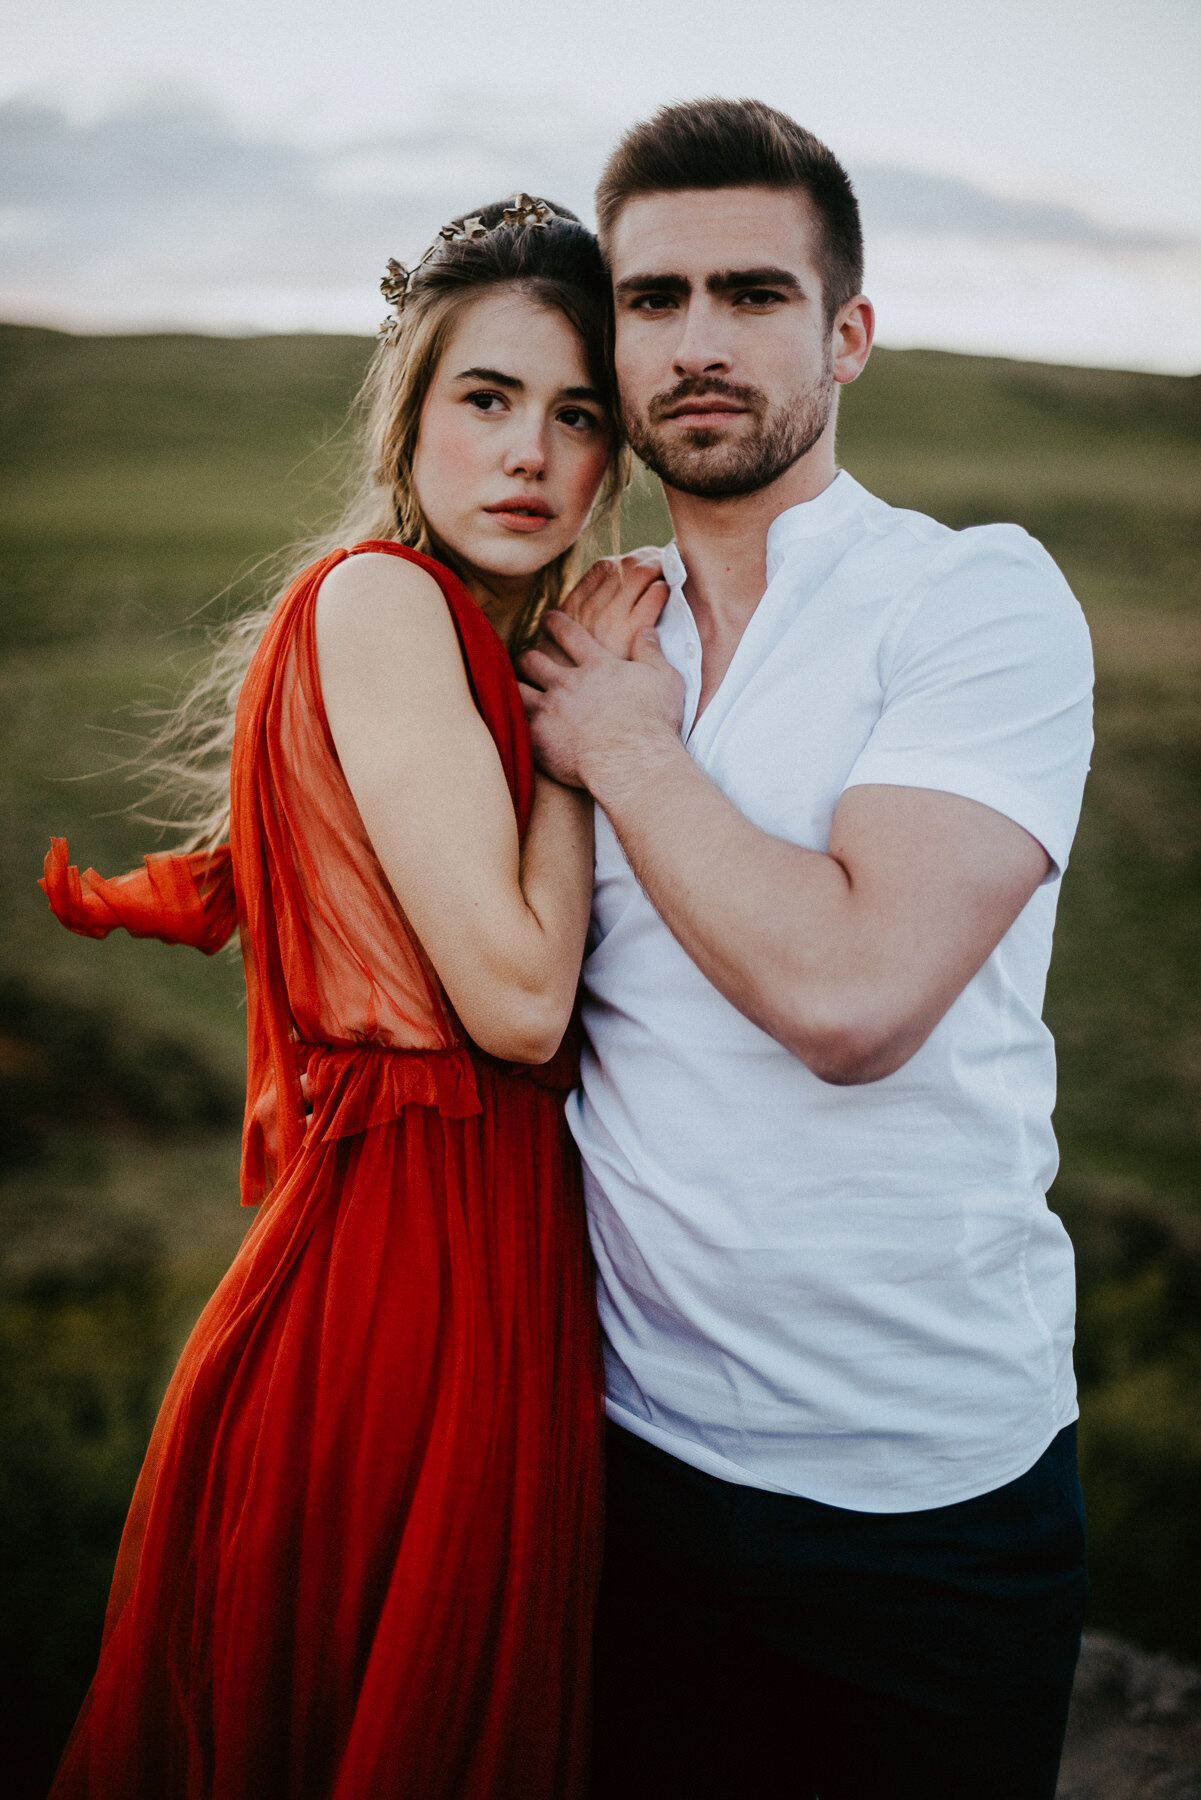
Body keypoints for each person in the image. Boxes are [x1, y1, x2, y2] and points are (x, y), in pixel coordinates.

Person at [40, 195, 665, 1800]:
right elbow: (522, 1006)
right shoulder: (384, 602)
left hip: (476, 1264)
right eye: (488, 397)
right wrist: (590, 745)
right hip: (409, 1287)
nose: (531, 453)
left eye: (578, 413)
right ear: (412, 413)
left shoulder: (463, 629)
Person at [520, 102, 1094, 1800]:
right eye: (652, 299)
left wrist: (628, 753)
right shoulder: (583, 629)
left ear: (846, 334)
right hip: (629, 1471)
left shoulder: (971, 600)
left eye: (753, 295)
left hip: (923, 1492)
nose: (697, 343)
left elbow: (852, 1003)